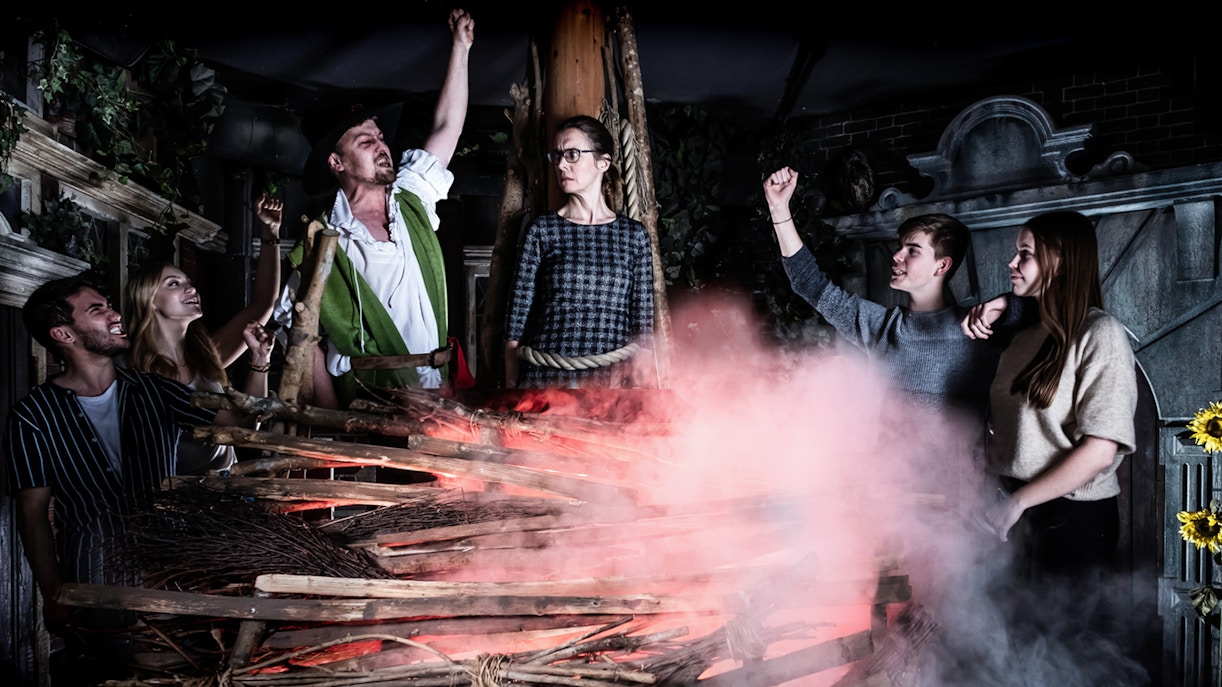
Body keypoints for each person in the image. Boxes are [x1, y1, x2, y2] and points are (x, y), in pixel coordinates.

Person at [274, 9, 474, 406]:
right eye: (365, 142)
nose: (382, 145)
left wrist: (462, 49)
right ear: (337, 163)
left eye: (379, 136)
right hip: (371, 402)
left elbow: (446, 126)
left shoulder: (412, 198)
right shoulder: (323, 240)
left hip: (440, 393)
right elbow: (301, 332)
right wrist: (332, 419)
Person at [3, 274, 221, 637]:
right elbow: (33, 514)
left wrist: (261, 361)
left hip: (174, 569)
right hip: (97, 580)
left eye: (108, 305)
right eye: (97, 309)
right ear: (64, 335)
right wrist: (54, 594)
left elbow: (237, 423)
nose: (115, 314)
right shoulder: (33, 416)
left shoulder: (154, 391)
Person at [762, 166, 1026, 413]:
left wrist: (1007, 305)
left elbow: (1058, 308)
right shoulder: (881, 327)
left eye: (912, 250)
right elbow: (809, 283)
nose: (897, 255)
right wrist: (778, 209)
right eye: (900, 246)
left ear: (941, 265)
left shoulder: (979, 327)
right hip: (890, 462)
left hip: (965, 463)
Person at [967, 210, 1137, 579]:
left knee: (1067, 635)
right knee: (1012, 633)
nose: (1012, 262)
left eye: (1025, 254)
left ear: (1058, 263)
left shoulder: (1101, 333)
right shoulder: (1024, 335)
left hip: (1072, 519)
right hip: (1013, 509)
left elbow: (1100, 450)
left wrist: (1017, 503)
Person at [124, 196, 279, 474]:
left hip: (226, 492)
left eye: (189, 283)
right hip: (179, 502)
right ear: (149, 301)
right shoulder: (140, 374)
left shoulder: (208, 355)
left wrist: (270, 233)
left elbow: (264, 303)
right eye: (174, 284)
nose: (191, 289)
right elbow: (241, 427)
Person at [504, 115, 655, 388]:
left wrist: (638, 383)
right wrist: (512, 384)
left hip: (610, 381)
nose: (561, 164)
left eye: (572, 154)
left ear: (603, 162)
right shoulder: (542, 230)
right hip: (545, 376)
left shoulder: (634, 236)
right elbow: (518, 314)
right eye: (558, 155)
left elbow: (643, 321)